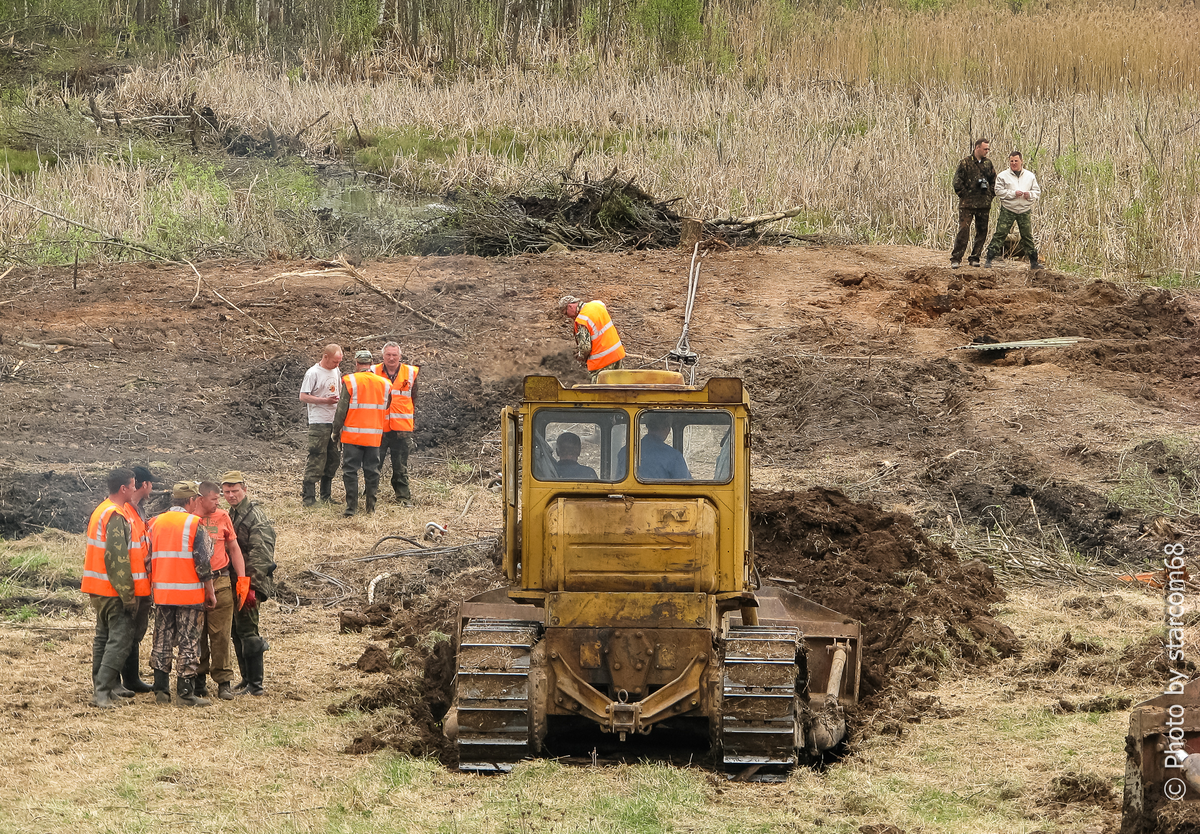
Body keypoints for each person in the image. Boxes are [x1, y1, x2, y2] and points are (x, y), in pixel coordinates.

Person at [148, 482, 217, 707]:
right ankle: (185, 693)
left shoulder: (155, 522)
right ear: (191, 501)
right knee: (189, 641)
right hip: (189, 596)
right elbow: (203, 563)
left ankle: (161, 690)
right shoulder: (194, 524)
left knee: (162, 637)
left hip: (162, 594)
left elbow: (147, 558)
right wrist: (211, 593)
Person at [82, 467, 138, 708]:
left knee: (103, 637)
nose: (136, 489)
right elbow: (117, 559)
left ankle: (105, 686)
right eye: (133, 485)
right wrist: (128, 595)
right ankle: (102, 692)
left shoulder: (101, 510)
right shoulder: (115, 515)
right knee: (119, 639)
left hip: (98, 587)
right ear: (123, 488)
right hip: (112, 589)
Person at [221, 471, 278, 697]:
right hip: (236, 581)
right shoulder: (232, 514)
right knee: (237, 630)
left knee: (248, 631)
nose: (231, 495)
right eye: (227, 492)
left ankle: (256, 684)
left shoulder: (256, 516)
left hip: (250, 582)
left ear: (244, 488)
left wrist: (251, 586)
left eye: (235, 491)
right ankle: (246, 679)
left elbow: (261, 555)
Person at [195, 481, 248, 702]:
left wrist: (242, 579)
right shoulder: (190, 521)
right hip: (195, 585)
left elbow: (234, 548)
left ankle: (223, 682)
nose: (219, 502)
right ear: (200, 499)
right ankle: (197, 679)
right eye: (215, 498)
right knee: (197, 635)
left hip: (221, 580)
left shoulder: (223, 517)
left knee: (221, 635)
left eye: (220, 498)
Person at [333, 349, 392, 516]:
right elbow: (387, 405)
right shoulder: (384, 383)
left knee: (350, 471)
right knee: (372, 471)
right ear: (371, 364)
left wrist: (335, 431)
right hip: (374, 437)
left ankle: (351, 508)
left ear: (357, 363)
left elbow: (341, 410)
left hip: (352, 436)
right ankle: (370, 508)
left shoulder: (351, 381)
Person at [118, 465, 156, 695]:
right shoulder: (125, 510)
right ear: (146, 485)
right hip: (131, 581)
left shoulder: (138, 510)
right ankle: (121, 679)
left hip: (142, 581)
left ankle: (131, 679)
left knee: (135, 631)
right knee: (125, 631)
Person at [371, 342, 419, 506]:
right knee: (373, 464)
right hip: (379, 428)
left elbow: (413, 397)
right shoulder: (373, 371)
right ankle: (369, 496)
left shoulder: (410, 373)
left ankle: (403, 498)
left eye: (394, 355)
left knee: (400, 466)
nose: (391, 358)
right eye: (388, 355)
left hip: (402, 429)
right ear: (383, 356)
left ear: (400, 356)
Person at [299, 343, 343, 507]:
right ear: (325, 357)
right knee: (317, 457)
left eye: (339, 362)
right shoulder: (313, 373)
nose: (337, 365)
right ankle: (309, 497)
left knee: (333, 458)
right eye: (334, 361)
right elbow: (303, 396)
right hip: (319, 422)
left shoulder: (336, 370)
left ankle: (326, 495)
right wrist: (325, 401)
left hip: (334, 421)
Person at [985, 151, 1043, 271]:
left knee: (1027, 236)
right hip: (1008, 209)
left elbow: (1037, 192)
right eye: (1011, 161)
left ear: (1021, 161)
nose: (1013, 163)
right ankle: (989, 259)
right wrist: (1013, 194)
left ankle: (1034, 262)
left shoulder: (1030, 176)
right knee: (1000, 233)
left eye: (1016, 161)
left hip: (1024, 210)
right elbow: (998, 191)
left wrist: (1029, 195)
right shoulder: (1003, 176)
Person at [950, 138, 996, 269]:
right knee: (963, 230)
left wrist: (990, 195)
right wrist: (965, 195)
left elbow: (994, 181)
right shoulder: (965, 163)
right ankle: (956, 258)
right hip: (967, 205)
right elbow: (957, 182)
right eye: (985, 148)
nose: (987, 151)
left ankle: (975, 257)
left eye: (988, 149)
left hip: (984, 205)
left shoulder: (988, 164)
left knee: (982, 231)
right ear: (977, 148)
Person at [558, 295, 626, 383]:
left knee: (600, 393)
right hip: (617, 354)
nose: (568, 317)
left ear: (570, 306)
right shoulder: (596, 305)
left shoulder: (582, 319)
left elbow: (585, 347)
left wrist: (581, 356)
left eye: (566, 313)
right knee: (621, 385)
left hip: (602, 362)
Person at [637, 413, 692, 480]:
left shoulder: (625, 451)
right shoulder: (674, 457)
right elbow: (686, 485)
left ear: (647, 426)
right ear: (667, 429)